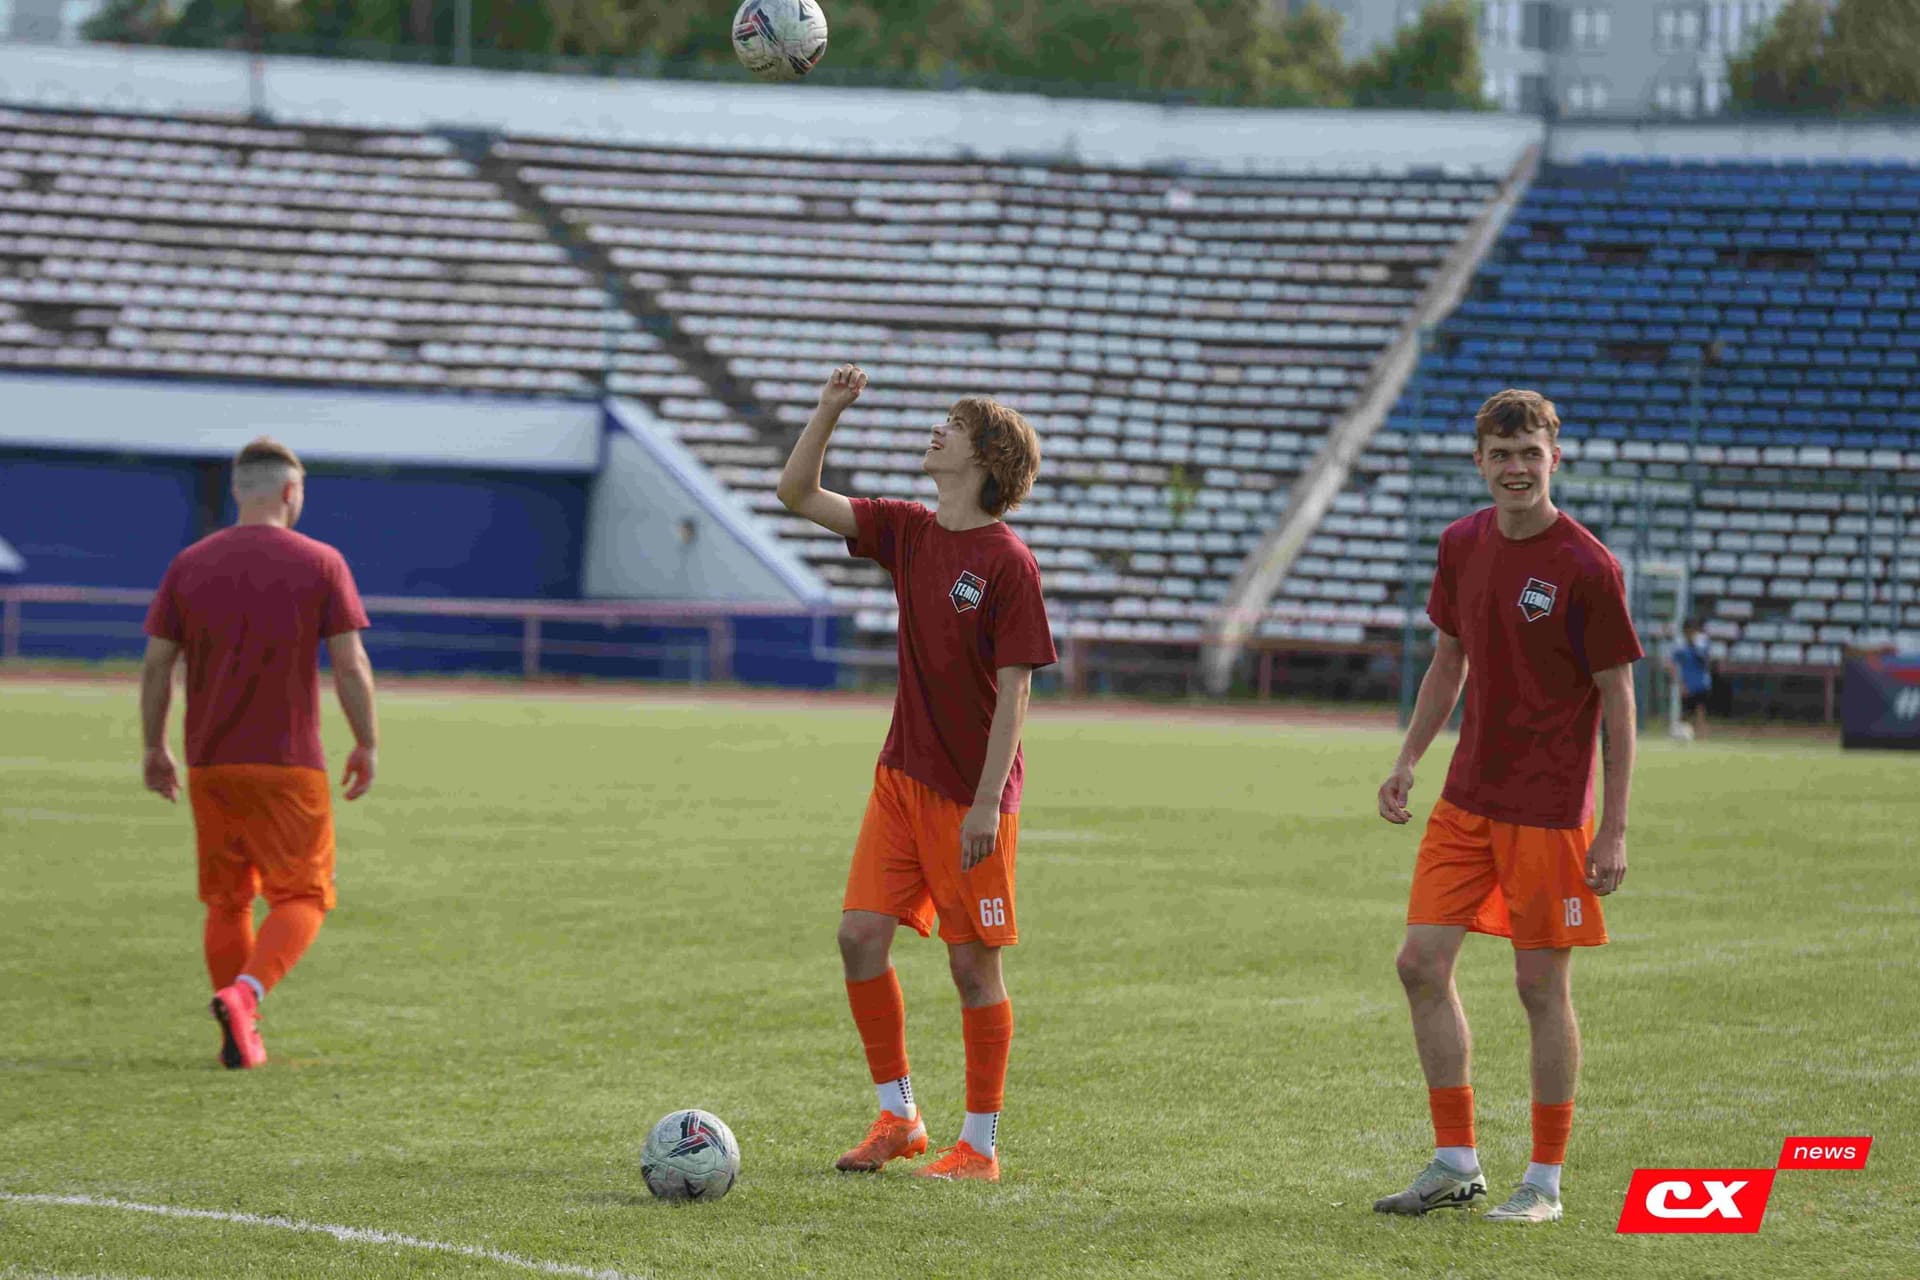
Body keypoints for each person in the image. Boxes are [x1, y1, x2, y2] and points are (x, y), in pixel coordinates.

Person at [777, 365, 1054, 1183]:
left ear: (986, 457)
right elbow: (798, 493)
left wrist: (982, 805)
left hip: (973, 800)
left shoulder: (1009, 563)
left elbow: (1016, 693)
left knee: (974, 966)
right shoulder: (906, 530)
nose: (937, 432)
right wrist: (828, 410)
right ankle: (899, 1118)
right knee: (859, 937)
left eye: (953, 426)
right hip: (900, 778)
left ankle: (980, 1146)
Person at [1373, 390, 1641, 1224]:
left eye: (1530, 452)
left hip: (1551, 810)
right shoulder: (1460, 545)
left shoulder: (1590, 567)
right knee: (1419, 964)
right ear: (1479, 461)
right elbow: (1448, 660)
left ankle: (1545, 1183)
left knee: (1538, 987)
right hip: (1467, 798)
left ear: (1554, 457)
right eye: (1501, 454)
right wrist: (1409, 759)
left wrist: (1617, 827)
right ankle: (1456, 1161)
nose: (1516, 468)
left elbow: (1620, 701)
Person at [140, 437, 378, 1070]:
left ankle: (239, 1032)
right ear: (291, 493)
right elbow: (350, 664)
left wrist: (153, 747)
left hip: (209, 758)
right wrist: (367, 741)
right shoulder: (321, 560)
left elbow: (158, 666)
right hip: (288, 759)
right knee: (303, 896)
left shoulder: (189, 563)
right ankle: (245, 997)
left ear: (240, 490)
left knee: (228, 901)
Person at [1667, 619, 1713, 740]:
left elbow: (1707, 661)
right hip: (1687, 684)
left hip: (1702, 683)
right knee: (1686, 712)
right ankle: (1681, 733)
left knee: (1700, 710)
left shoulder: (1702, 643)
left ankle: (1701, 736)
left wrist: (1695, 647)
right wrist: (1678, 681)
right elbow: (1672, 662)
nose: (1690, 633)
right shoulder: (1681, 646)